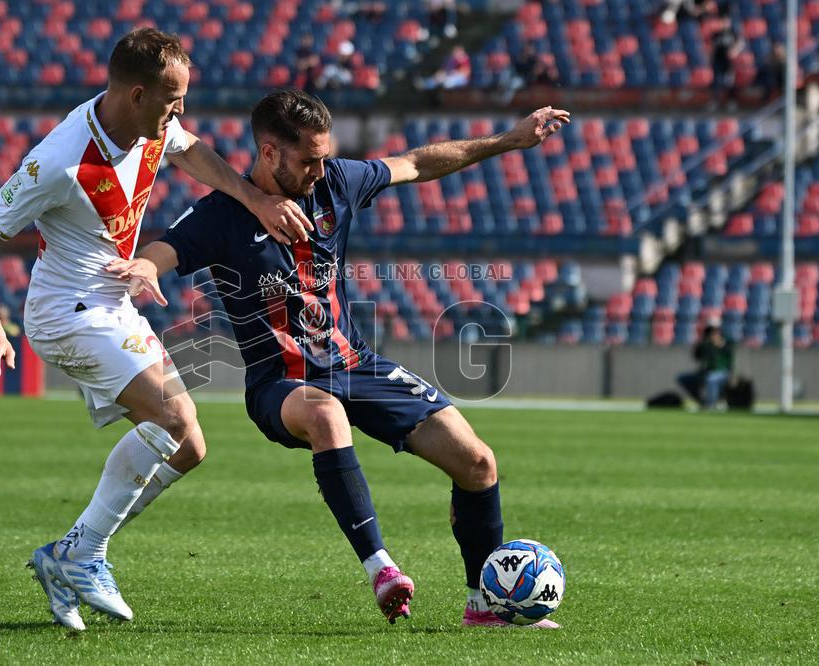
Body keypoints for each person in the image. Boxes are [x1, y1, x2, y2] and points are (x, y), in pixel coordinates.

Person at [107, 89, 570, 627]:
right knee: (324, 413)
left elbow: (418, 163)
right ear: (270, 152)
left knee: (477, 462)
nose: (319, 169)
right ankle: (381, 568)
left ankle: (484, 604)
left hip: (356, 365)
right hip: (281, 383)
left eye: (325, 156)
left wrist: (509, 141)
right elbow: (165, 249)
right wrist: (144, 268)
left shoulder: (337, 183)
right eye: (308, 159)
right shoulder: (221, 215)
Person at [0, 28, 313, 632]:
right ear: (137, 94)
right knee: (171, 420)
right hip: (65, 310)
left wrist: (253, 200)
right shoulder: (59, 160)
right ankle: (83, 554)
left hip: (113, 304)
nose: (181, 112)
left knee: (189, 445)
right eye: (173, 100)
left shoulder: (153, 125)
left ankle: (67, 554)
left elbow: (193, 151)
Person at [677, 323, 734, 409]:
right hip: (705, 372)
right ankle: (701, 401)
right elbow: (697, 357)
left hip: (722, 372)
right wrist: (703, 344)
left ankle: (710, 405)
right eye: (710, 332)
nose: (713, 335)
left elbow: (729, 358)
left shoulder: (726, 343)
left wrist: (719, 346)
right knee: (683, 378)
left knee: (712, 379)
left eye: (715, 332)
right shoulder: (705, 345)